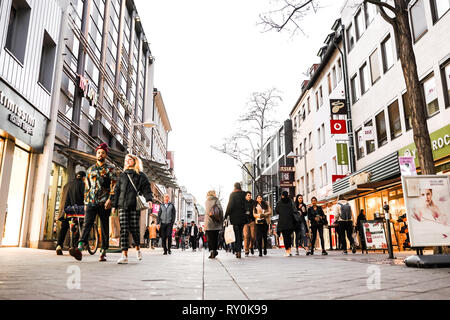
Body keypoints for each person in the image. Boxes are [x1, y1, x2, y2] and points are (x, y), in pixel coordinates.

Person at [71, 143, 117, 262]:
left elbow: (114, 186)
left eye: (102, 153)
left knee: (104, 226)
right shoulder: (90, 170)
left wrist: (110, 200)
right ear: (96, 154)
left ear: (106, 154)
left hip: (104, 202)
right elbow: (87, 187)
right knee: (87, 224)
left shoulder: (110, 169)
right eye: (98, 153)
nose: (100, 154)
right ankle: (80, 248)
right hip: (91, 201)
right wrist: (86, 202)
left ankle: (103, 251)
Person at [113, 154, 153, 264]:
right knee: (124, 230)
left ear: (135, 161)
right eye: (126, 160)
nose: (127, 161)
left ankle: (138, 249)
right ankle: (124, 255)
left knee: (135, 229)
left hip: (134, 206)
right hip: (122, 206)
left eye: (129, 159)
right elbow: (117, 191)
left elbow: (147, 189)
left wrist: (149, 199)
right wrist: (114, 205)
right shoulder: (122, 175)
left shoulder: (141, 175)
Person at [56, 171, 86, 255]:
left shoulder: (66, 185)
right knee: (76, 227)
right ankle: (73, 247)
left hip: (65, 211)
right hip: (75, 211)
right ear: (83, 177)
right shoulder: (82, 185)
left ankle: (59, 245)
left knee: (64, 227)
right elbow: (83, 198)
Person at [224, 182, 248, 259]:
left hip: (234, 217)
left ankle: (238, 251)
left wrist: (226, 215)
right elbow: (246, 204)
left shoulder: (232, 194)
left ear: (234, 187)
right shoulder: (244, 193)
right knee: (240, 234)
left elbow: (230, 205)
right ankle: (239, 250)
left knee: (237, 234)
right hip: (242, 217)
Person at [275, 191, 296, 257]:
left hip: (283, 222)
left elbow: (277, 211)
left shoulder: (279, 202)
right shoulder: (291, 202)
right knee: (289, 237)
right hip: (290, 222)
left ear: (282, 195)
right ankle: (289, 250)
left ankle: (287, 251)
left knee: (285, 237)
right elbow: (294, 209)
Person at [205, 190, 224, 259]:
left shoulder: (206, 201)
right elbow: (221, 210)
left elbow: (206, 213)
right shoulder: (216, 200)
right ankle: (214, 250)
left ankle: (212, 251)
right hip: (215, 222)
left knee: (210, 238)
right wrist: (221, 219)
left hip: (208, 222)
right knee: (215, 238)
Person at [243, 191, 256, 257]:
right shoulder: (243, 203)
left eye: (250, 195)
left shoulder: (253, 202)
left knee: (253, 236)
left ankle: (251, 246)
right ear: (245, 196)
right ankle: (246, 250)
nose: (249, 196)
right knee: (246, 236)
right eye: (248, 195)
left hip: (252, 221)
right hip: (245, 222)